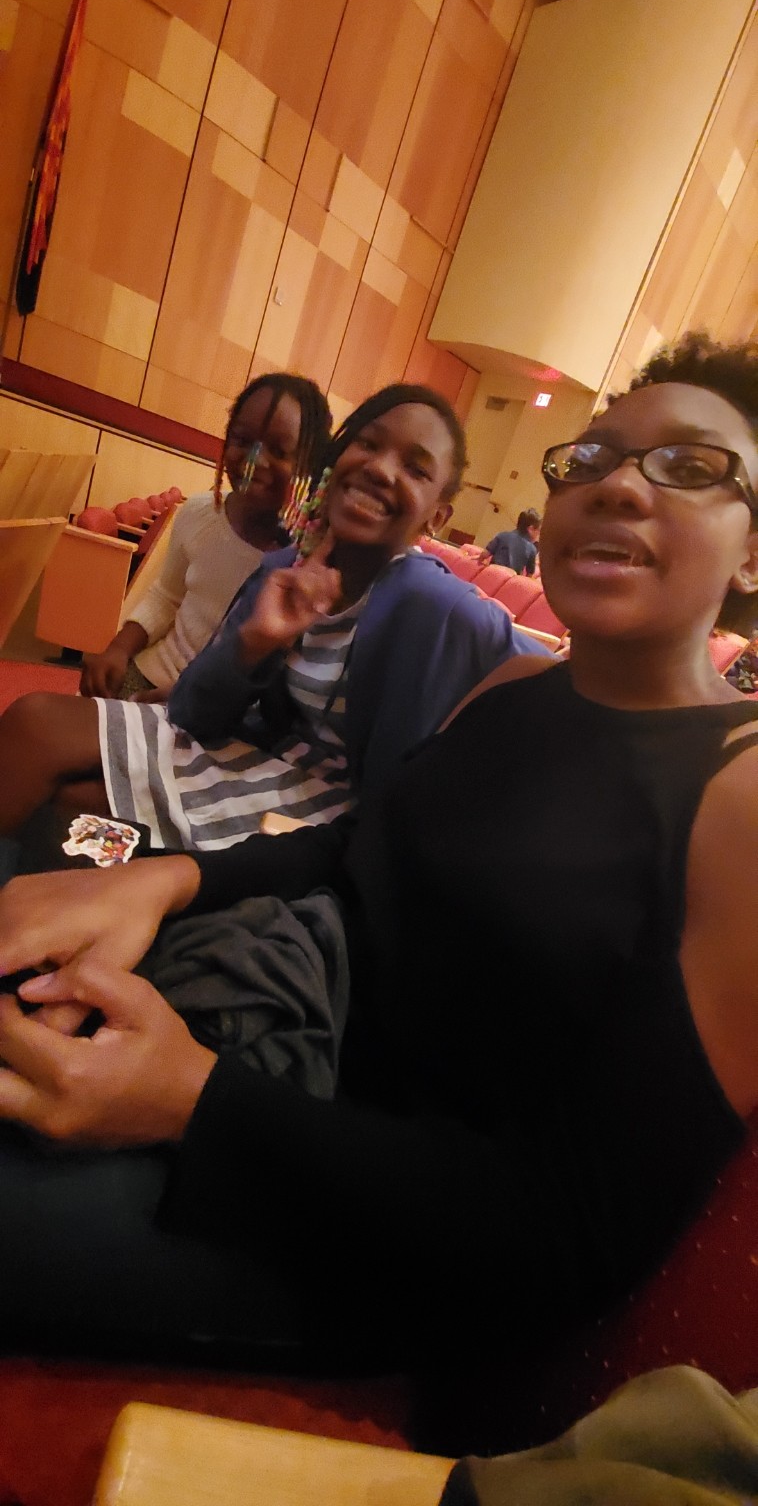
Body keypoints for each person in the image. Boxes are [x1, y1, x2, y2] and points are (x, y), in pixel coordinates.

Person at [0, 334, 756, 1372]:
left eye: (689, 464)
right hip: (257, 1023)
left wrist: (190, 1099)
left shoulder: (738, 796)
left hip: (349, 1230)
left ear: (751, 552)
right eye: (591, 456)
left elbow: (570, 1235)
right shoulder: (515, 690)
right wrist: (165, 878)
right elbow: (366, 846)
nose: (618, 485)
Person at [0, 385, 538, 847]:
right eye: (368, 444)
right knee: (37, 727)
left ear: (437, 515)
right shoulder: (285, 567)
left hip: (323, 814)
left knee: (75, 806)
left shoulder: (435, 602)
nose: (379, 467)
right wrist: (251, 646)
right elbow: (195, 712)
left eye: (415, 468)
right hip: (251, 754)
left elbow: (553, 677)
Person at [78, 372, 332, 701]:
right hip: (150, 674)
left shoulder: (305, 563)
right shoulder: (199, 514)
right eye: (242, 440)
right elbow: (166, 597)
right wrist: (118, 649)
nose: (254, 461)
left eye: (279, 451)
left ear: (311, 466)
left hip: (213, 707)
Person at [486, 508, 541, 574]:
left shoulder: (502, 535)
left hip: (491, 573)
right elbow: (530, 574)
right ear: (531, 529)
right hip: (509, 578)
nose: (539, 534)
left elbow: (485, 554)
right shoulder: (532, 549)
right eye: (539, 530)